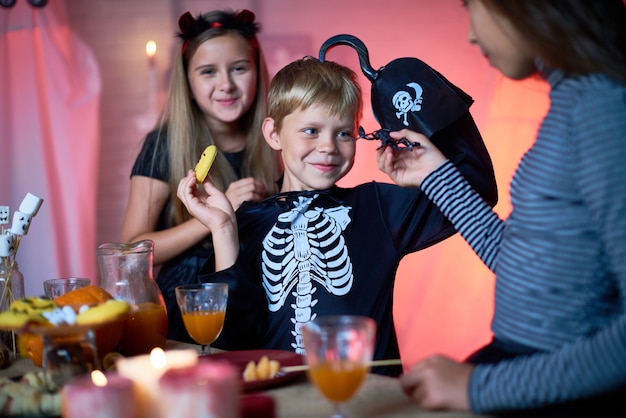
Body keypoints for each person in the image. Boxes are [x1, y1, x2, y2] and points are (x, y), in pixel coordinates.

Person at [176, 57, 498, 376]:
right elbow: (230, 345)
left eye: (344, 133)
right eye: (311, 130)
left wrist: (408, 84)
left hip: (367, 402)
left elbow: (478, 185)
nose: (328, 146)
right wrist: (223, 229)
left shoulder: (376, 208)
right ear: (274, 134)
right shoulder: (246, 222)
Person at [395, 0, 626, 416]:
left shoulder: (601, 107)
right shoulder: (576, 99)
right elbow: (529, 262)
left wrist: (479, 387)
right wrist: (434, 174)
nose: (469, 33)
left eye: (472, 6)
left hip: (557, 386)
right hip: (519, 364)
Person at [120, 9, 280, 343]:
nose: (226, 84)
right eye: (208, 72)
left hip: (261, 295)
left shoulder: (277, 140)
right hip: (192, 302)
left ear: (257, 72)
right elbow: (131, 248)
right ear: (189, 84)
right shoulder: (164, 144)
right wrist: (214, 217)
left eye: (239, 68)